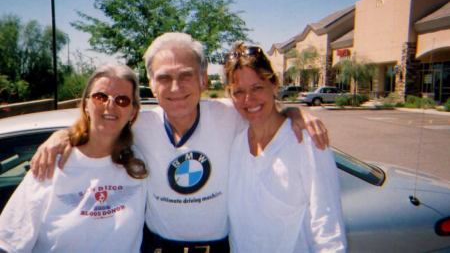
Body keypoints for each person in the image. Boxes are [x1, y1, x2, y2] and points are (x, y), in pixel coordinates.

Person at [30, 32, 330, 253]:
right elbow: (99, 126)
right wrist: (61, 137)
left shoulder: (230, 114)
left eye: (186, 75)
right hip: (157, 248)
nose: (175, 88)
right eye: (164, 78)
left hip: (221, 248)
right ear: (151, 83)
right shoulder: (140, 123)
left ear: (203, 80)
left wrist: (295, 112)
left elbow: (263, 111)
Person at [0, 65, 148, 252]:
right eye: (100, 97)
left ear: (133, 112)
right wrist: (62, 135)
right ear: (86, 104)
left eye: (122, 100)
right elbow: (8, 243)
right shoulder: (51, 163)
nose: (110, 105)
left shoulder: (139, 163)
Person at [224, 43, 347, 252]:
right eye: (239, 91)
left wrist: (295, 113)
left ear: (274, 85)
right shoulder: (235, 143)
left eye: (257, 88)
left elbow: (327, 225)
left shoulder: (306, 142)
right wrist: (293, 110)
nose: (248, 99)